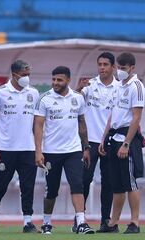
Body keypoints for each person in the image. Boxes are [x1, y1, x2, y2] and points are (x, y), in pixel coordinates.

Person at [34, 66, 95, 235]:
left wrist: (86, 147)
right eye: (53, 79)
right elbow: (38, 126)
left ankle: (81, 223)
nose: (55, 83)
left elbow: (82, 124)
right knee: (51, 190)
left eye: (59, 80)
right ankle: (46, 223)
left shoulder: (78, 98)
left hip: (73, 151)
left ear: (68, 80)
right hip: (51, 152)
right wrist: (38, 152)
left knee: (78, 184)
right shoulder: (44, 99)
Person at [0, 60, 40, 233]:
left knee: (27, 187)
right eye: (24, 75)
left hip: (28, 149)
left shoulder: (34, 93)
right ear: (14, 75)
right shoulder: (0, 92)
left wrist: (38, 149)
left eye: (28, 74)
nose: (27, 78)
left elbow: (37, 124)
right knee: (1, 186)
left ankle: (27, 222)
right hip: (5, 149)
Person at [99, 52, 145, 234]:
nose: (120, 71)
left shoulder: (137, 87)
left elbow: (136, 118)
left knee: (130, 183)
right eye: (118, 68)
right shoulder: (118, 87)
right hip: (113, 138)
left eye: (124, 68)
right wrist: (104, 138)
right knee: (116, 185)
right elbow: (113, 114)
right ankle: (113, 223)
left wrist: (126, 143)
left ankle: (135, 222)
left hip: (127, 139)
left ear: (132, 68)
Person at [71, 52, 120, 233]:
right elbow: (71, 103)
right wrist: (77, 88)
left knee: (108, 183)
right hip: (89, 143)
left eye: (106, 64)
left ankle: (106, 221)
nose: (102, 67)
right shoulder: (90, 85)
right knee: (84, 180)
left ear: (113, 67)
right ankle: (79, 220)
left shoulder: (120, 88)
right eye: (99, 64)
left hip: (110, 141)